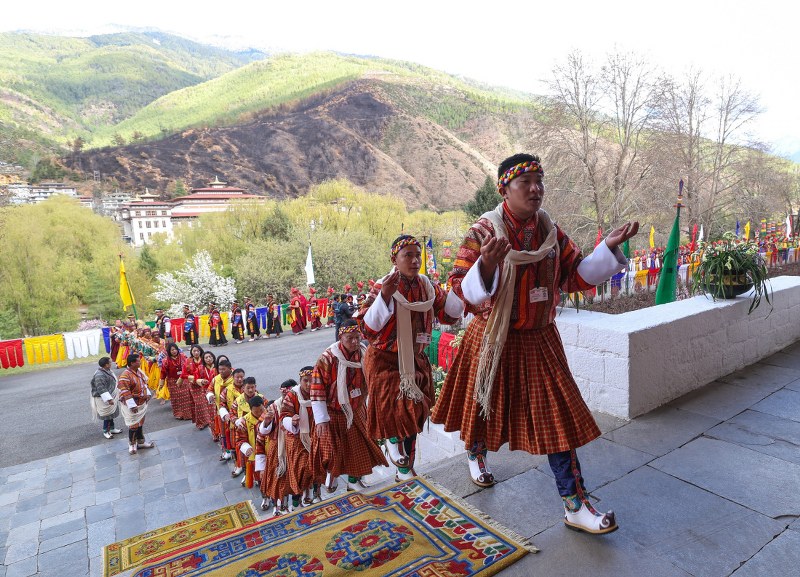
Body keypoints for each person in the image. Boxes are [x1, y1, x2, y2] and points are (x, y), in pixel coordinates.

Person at [431, 153, 638, 535]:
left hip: (540, 338)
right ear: (504, 189)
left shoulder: (550, 232)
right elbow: (460, 291)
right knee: (482, 406)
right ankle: (476, 454)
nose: (535, 189)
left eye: (539, 181)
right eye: (524, 182)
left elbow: (573, 276)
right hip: (493, 338)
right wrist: (486, 267)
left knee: (558, 421)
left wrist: (607, 249)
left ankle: (575, 506)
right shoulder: (483, 232)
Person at [359, 235, 464, 481]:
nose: (415, 260)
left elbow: (448, 314)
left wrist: (462, 287)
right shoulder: (383, 286)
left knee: (415, 414)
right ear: (394, 259)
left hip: (416, 358)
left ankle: (405, 468)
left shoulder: (427, 286)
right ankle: (393, 444)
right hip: (386, 359)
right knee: (396, 409)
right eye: (408, 255)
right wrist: (385, 296)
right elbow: (366, 328)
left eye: (418, 255)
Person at [310, 319, 388, 492]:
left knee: (357, 449)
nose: (354, 342)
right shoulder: (327, 358)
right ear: (340, 337)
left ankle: (353, 481)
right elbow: (317, 388)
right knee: (333, 452)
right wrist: (321, 420)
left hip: (356, 409)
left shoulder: (364, 352)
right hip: (334, 413)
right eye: (349, 338)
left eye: (357, 337)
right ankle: (332, 475)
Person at [280, 367, 323, 505]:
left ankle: (315, 491)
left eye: (312, 381)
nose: (309, 384)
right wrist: (292, 421)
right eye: (305, 381)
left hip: (316, 433)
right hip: (297, 436)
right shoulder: (292, 396)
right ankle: (299, 496)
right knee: (303, 466)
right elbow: (283, 417)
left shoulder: (320, 392)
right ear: (300, 381)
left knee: (319, 464)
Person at [257, 382, 292, 515]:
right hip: (278, 449)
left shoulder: (300, 403)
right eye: (284, 392)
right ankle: (279, 506)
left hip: (295, 446)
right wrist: (266, 422)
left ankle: (300, 502)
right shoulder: (273, 407)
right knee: (279, 478)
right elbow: (261, 431)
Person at [118, 353, 155, 454]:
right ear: (132, 363)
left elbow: (144, 384)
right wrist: (132, 405)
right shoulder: (125, 375)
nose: (140, 362)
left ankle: (141, 442)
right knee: (133, 425)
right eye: (138, 361)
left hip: (141, 403)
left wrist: (148, 394)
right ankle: (132, 444)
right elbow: (125, 391)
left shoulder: (139, 372)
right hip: (132, 404)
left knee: (140, 424)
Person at [233, 377, 263, 479]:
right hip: (247, 435)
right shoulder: (238, 401)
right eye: (248, 388)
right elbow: (232, 414)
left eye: (252, 387)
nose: (250, 390)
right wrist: (237, 421)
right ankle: (248, 475)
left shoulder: (262, 400)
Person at [179, 345, 213, 430]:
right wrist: (193, 378)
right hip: (194, 385)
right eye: (194, 351)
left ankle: (209, 420)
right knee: (199, 404)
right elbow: (184, 374)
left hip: (206, 384)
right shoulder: (188, 361)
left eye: (198, 351)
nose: (196, 352)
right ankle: (201, 422)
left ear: (201, 351)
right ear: (191, 352)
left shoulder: (204, 359)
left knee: (207, 403)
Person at [90, 356, 121, 439]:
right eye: (110, 362)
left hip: (110, 395)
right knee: (107, 415)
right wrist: (109, 399)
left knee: (111, 414)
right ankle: (106, 431)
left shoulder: (107, 370)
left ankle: (112, 428)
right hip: (103, 398)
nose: (111, 363)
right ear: (106, 365)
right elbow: (101, 388)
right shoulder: (99, 375)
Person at [218, 367, 246, 462]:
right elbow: (222, 404)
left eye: (241, 377)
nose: (239, 379)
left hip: (247, 421)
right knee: (235, 444)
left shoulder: (248, 388)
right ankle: (238, 463)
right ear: (233, 378)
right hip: (233, 421)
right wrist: (225, 414)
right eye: (237, 377)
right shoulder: (227, 390)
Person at [159, 342, 191, 420]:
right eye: (172, 350)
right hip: (172, 382)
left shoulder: (183, 356)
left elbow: (189, 366)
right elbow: (163, 372)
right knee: (176, 398)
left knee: (187, 397)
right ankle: (179, 414)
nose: (174, 351)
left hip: (184, 380)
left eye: (175, 349)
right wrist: (161, 384)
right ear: (169, 351)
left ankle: (189, 414)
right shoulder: (165, 361)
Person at [208, 358, 233, 449]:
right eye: (220, 369)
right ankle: (226, 451)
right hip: (221, 410)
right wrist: (210, 395)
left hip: (233, 411)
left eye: (223, 369)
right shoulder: (216, 379)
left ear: (230, 369)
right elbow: (209, 390)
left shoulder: (235, 379)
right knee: (223, 432)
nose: (221, 371)